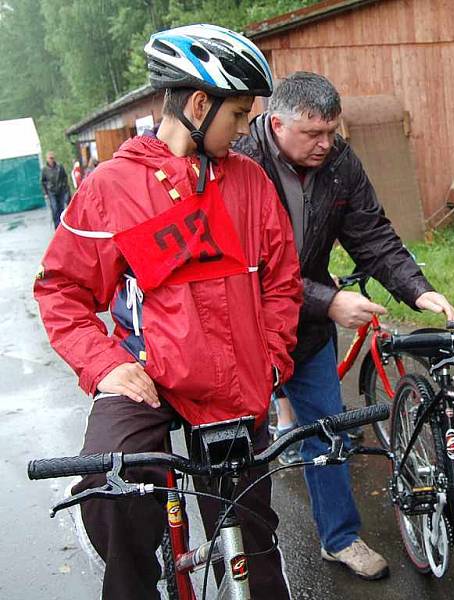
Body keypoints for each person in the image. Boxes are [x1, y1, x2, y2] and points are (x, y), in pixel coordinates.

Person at [33, 24, 302, 600]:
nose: (245, 128)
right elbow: (61, 292)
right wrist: (105, 365)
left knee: (253, 550)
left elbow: (281, 282)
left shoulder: (249, 181)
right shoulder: (111, 186)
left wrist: (273, 357)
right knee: (110, 492)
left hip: (232, 389)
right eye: (238, 114)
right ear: (200, 105)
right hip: (147, 379)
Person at [234, 71, 454, 581]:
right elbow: (250, 265)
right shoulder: (242, 163)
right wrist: (330, 301)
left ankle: (339, 539)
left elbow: (371, 232)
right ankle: (248, 556)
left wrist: (415, 288)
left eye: (332, 132)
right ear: (276, 123)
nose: (326, 144)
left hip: (305, 331)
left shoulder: (337, 162)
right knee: (244, 450)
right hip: (243, 329)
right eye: (313, 134)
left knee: (327, 434)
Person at [40, 151, 71, 228]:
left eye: (53, 158)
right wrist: (45, 193)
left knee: (61, 208)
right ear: (47, 159)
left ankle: (62, 226)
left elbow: (64, 177)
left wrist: (65, 186)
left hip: (60, 190)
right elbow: (43, 181)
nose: (52, 160)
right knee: (55, 208)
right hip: (51, 192)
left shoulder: (59, 167)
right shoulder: (45, 169)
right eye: (50, 158)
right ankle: (57, 226)